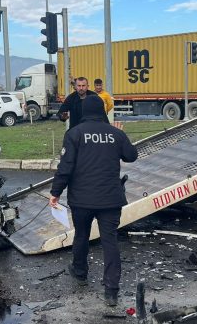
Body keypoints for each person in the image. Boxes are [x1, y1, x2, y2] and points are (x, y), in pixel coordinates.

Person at [49, 95, 138, 307]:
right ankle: (111, 291)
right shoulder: (116, 134)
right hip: (110, 199)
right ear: (103, 111)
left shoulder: (75, 134)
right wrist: (123, 134)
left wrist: (56, 192)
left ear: (84, 111)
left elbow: (66, 167)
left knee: (81, 235)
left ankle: (80, 272)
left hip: (81, 199)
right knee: (110, 241)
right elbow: (131, 156)